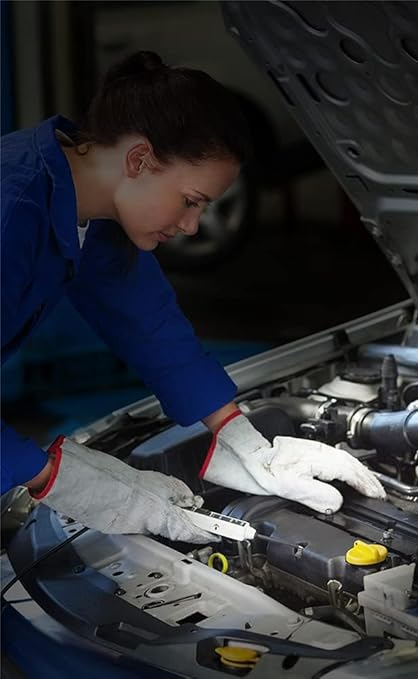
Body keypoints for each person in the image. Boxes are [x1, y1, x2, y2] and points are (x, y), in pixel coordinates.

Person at [1, 51, 385, 543]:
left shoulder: (85, 201)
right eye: (190, 201)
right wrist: (61, 480)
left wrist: (239, 438)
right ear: (139, 159)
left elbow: (148, 321)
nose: (191, 226)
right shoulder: (12, 213)